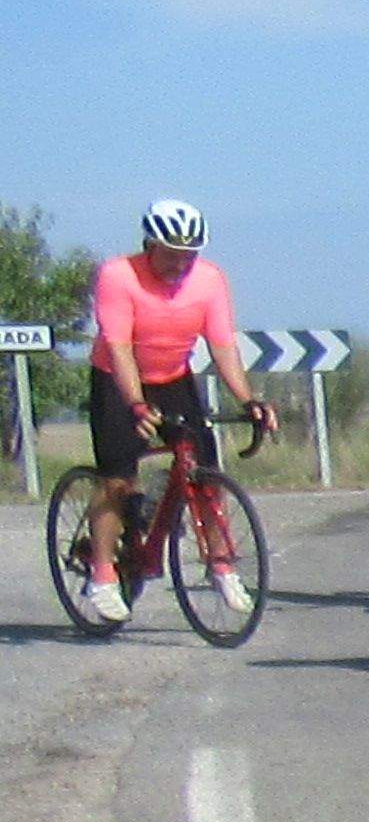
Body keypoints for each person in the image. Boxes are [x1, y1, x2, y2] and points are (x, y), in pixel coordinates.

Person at [72, 203, 273, 623]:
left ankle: (222, 565)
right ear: (149, 245)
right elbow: (119, 346)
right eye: (170, 254)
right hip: (117, 378)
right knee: (117, 477)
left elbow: (222, 346)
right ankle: (103, 574)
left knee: (205, 476)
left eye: (189, 255)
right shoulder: (118, 275)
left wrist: (248, 399)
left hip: (173, 378)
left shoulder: (210, 280)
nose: (181, 263)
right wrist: (136, 404)